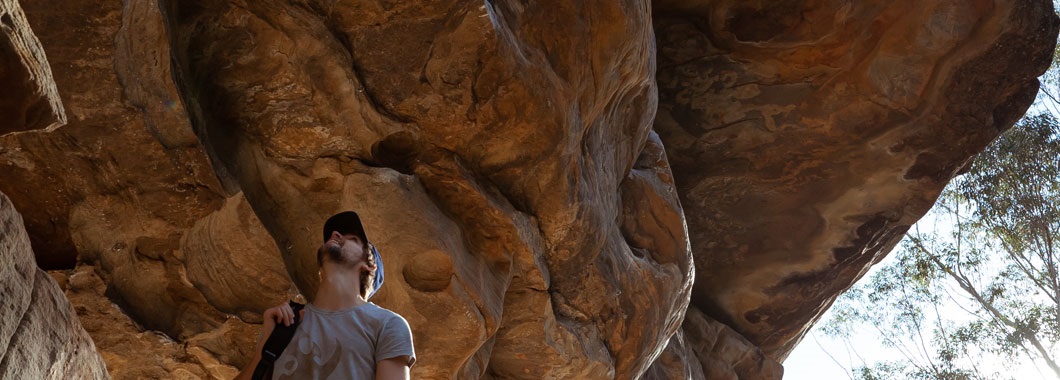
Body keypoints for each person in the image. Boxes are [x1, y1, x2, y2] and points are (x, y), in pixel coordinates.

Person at [237, 211, 416, 379]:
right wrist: (265, 348)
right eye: (335, 233)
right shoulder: (286, 324)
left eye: (352, 238)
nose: (336, 234)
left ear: (369, 266)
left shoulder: (387, 325)